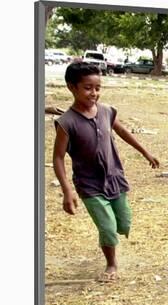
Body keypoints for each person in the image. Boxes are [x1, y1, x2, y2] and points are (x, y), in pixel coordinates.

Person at [53, 62, 159, 282]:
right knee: (108, 227)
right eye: (88, 88)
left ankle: (111, 238)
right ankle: (111, 264)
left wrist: (146, 153)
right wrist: (67, 190)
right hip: (89, 184)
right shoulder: (66, 122)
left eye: (98, 88)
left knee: (124, 222)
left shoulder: (106, 111)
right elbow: (58, 157)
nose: (94, 93)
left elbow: (122, 131)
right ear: (72, 87)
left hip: (114, 178)